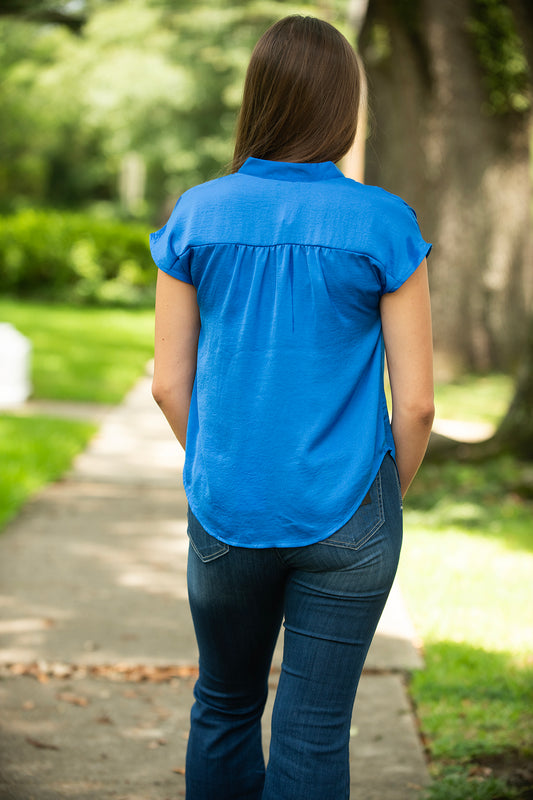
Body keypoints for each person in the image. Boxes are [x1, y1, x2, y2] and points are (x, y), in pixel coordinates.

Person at [150, 14, 434, 800]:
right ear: (344, 108)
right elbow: (415, 406)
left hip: (226, 504)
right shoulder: (382, 221)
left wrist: (217, 465)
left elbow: (168, 385)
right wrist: (378, 501)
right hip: (349, 511)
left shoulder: (196, 214)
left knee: (224, 705)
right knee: (313, 734)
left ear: (257, 100)